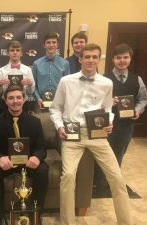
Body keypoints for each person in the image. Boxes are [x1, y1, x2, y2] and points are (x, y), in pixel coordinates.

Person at [49, 43, 133, 225]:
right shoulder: (66, 81)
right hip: (72, 134)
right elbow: (55, 108)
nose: (90, 60)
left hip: (97, 134)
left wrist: (109, 121)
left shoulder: (106, 83)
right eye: (87, 57)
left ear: (99, 59)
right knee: (68, 176)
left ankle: (126, 222)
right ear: (80, 58)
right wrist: (59, 126)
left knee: (117, 178)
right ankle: (67, 222)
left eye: (95, 57)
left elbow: (107, 108)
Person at [0, 85, 48, 225]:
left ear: (24, 99)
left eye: (18, 97)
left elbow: (41, 147)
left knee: (43, 170)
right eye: (11, 98)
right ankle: (0, 216)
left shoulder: (35, 122)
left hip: (28, 162)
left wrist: (36, 157)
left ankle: (36, 214)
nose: (15, 101)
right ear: (5, 101)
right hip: (6, 162)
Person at [94, 43, 147, 193]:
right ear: (113, 59)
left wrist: (137, 110)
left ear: (130, 59)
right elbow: (95, 101)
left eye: (125, 57)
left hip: (126, 126)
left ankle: (112, 184)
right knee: (103, 155)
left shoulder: (137, 80)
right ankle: (98, 183)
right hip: (106, 125)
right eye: (118, 58)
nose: (122, 61)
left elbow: (143, 99)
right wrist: (109, 102)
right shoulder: (104, 79)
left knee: (119, 154)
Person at [0, 40, 35, 112]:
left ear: (21, 53)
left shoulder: (28, 70)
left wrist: (30, 85)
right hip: (6, 105)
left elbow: (30, 92)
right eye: (12, 50)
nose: (15, 52)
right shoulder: (1, 70)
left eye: (17, 50)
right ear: (8, 53)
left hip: (23, 104)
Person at [32, 32, 70, 109]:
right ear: (44, 45)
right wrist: (38, 98)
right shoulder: (36, 64)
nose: (51, 45)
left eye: (54, 42)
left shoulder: (65, 63)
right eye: (48, 42)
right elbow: (33, 85)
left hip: (59, 105)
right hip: (41, 104)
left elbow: (67, 85)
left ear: (57, 45)